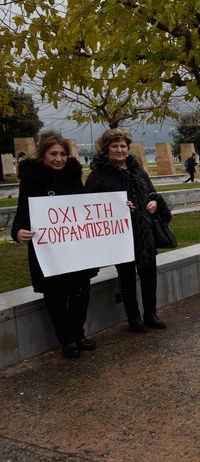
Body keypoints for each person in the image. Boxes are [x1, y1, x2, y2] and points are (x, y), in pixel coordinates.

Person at [12, 132, 98, 358]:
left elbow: (85, 207)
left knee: (82, 290)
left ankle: (79, 333)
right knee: (55, 295)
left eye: (62, 154)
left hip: (76, 247)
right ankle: (66, 339)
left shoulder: (73, 176)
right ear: (43, 154)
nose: (59, 158)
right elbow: (22, 214)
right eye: (53, 154)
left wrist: (118, 208)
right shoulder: (31, 179)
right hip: (47, 250)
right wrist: (17, 232)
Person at [86, 128, 171, 333]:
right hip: (120, 235)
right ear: (106, 149)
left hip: (145, 231)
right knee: (127, 278)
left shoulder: (138, 170)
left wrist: (153, 202)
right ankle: (133, 318)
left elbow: (152, 193)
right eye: (114, 146)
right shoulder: (97, 175)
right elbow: (89, 206)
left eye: (123, 146)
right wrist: (117, 208)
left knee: (149, 274)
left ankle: (151, 313)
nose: (119, 149)